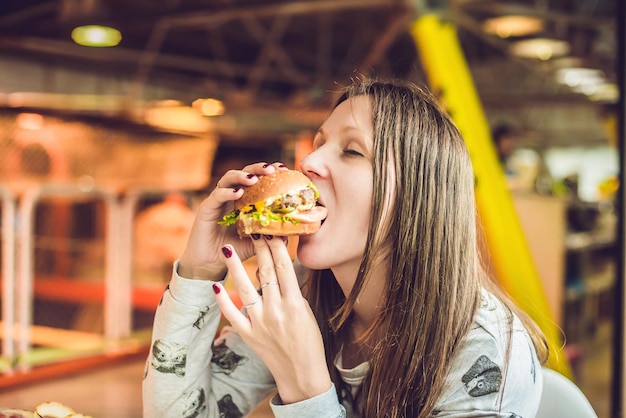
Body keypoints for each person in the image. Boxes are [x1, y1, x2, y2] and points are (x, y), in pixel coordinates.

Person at [143, 78, 549, 417]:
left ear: (417, 197)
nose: (310, 161)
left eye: (352, 150)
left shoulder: (484, 354)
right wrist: (199, 270)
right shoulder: (305, 291)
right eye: (318, 143)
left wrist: (305, 386)